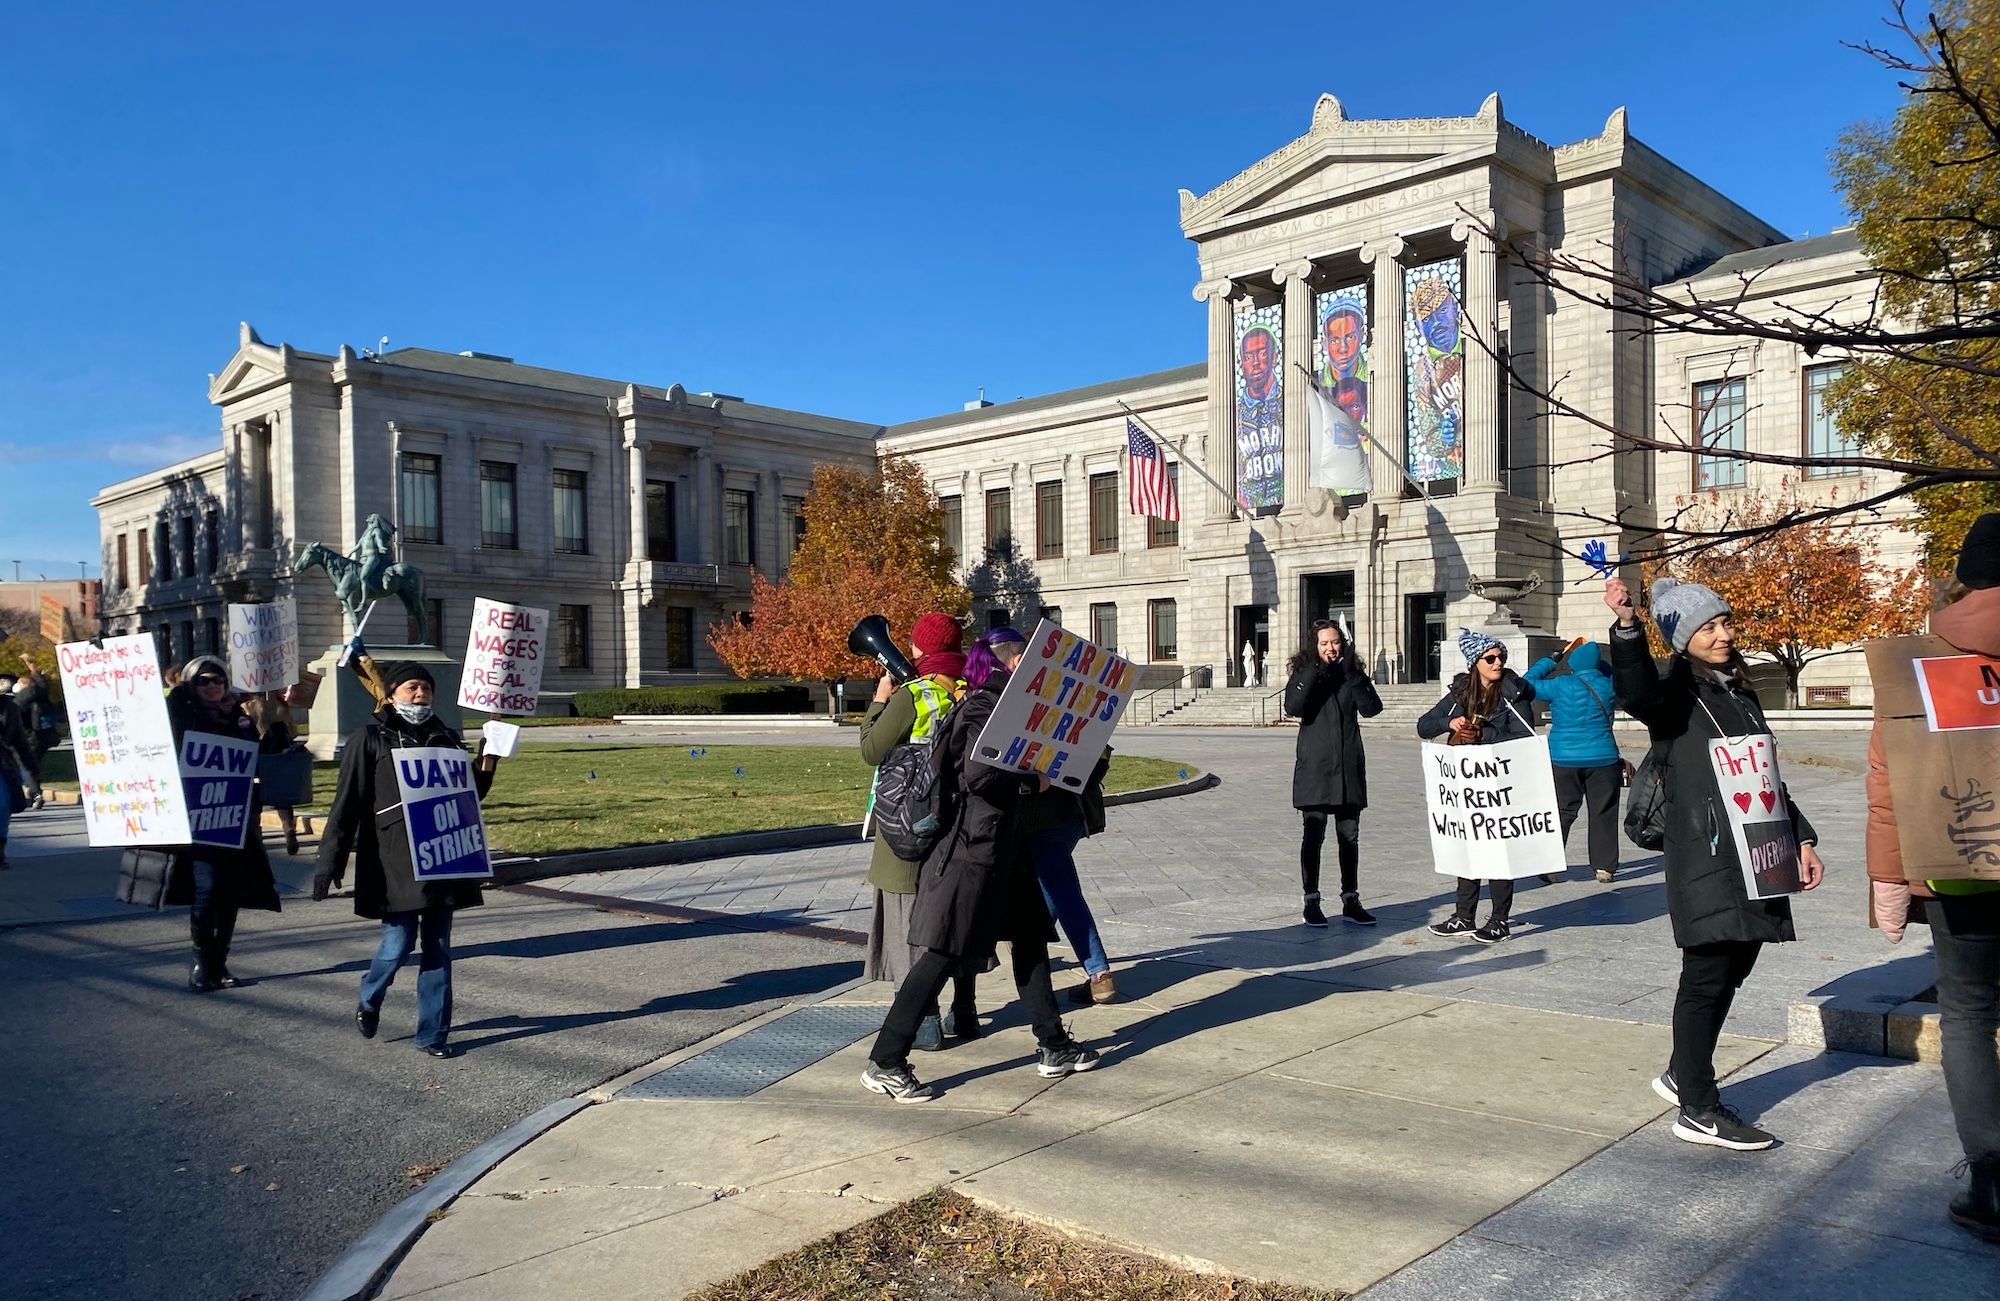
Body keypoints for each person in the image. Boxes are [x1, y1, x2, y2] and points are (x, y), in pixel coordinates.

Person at [1605, 575, 1823, 1152]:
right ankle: (1698, 1110)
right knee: (1706, 975)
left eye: (1725, 622)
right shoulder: (1676, 695)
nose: (1723, 634)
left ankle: (1684, 1073)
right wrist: (1628, 628)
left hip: (1758, 851)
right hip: (1707, 854)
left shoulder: (1739, 692)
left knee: (1736, 964)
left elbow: (1766, 777)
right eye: (1707, 627)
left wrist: (1801, 838)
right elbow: (1635, 693)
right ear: (1683, 639)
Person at [860, 627, 1099, 1103]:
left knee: (1030, 940)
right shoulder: (982, 708)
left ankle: (1054, 1045)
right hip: (971, 852)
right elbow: (980, 776)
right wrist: (1033, 783)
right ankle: (885, 1061)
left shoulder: (1005, 707)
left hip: (1002, 847)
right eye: (1025, 661)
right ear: (1009, 664)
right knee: (942, 953)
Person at [1867, 514, 2000, 1240]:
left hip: (1963, 868)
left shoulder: (1919, 663)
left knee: (1970, 1015)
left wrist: (1889, 878)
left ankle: (1993, 1180)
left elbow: (1888, 782)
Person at [312, 661, 500, 1057]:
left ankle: (432, 1034)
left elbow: (469, 794)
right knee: (398, 944)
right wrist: (329, 860)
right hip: (395, 861)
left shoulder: (445, 737)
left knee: (438, 947)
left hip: (443, 858)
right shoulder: (371, 738)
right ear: (392, 692)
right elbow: (347, 803)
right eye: (412, 686)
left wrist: (489, 757)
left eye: (426, 688)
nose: (420, 693)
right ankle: (370, 995)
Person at [858, 611, 977, 1047]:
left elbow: (871, 749)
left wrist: (879, 701)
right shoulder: (972, 690)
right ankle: (964, 1009)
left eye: (913, 642)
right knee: (954, 918)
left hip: (910, 821)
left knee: (905, 918)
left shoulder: (914, 694)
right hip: (958, 824)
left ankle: (923, 1021)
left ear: (923, 648)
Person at [162, 655, 284, 991]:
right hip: (197, 819)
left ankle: (219, 961)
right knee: (208, 888)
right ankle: (201, 961)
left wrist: (275, 728)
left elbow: (256, 757)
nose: (212, 685)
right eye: (203, 680)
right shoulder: (180, 716)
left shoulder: (239, 719)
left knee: (230, 892)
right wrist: (179, 694)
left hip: (238, 818)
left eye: (218, 679)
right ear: (190, 684)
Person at [1418, 629, 1537, 943]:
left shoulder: (1513, 693)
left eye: (1501, 657)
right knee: (1467, 848)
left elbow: (1525, 739)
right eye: (1490, 658)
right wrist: (1449, 723)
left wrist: (1485, 735)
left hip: (1501, 784)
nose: (1498, 663)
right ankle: (1464, 916)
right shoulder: (1460, 693)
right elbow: (1423, 725)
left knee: (1498, 851)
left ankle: (1499, 920)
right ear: (1475, 663)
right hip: (1466, 785)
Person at [1285, 618, 1384, 927]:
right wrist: (1315, 669)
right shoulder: (1304, 673)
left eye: (1336, 642)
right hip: (1316, 768)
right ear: (1314, 646)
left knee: (1349, 837)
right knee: (1313, 835)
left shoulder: (1350, 674)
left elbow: (1372, 708)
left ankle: (1351, 899)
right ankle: (1311, 900)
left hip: (1348, 767)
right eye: (1324, 643)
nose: (1331, 647)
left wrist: (1353, 672)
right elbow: (1293, 706)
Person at [1524, 638, 1625, 884]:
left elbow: (1526, 684)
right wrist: (1602, 666)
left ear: (1573, 664)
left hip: (1563, 758)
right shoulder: (1609, 685)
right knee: (1603, 812)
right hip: (1603, 757)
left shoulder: (1560, 685)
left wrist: (1549, 661)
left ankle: (1550, 865)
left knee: (1561, 811)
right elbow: (1617, 676)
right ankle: (1604, 867)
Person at [1024, 744, 1117, 1005]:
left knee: (1062, 893)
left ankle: (1099, 973)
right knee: (1053, 888)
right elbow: (1099, 758)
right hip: (1072, 813)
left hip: (1040, 815)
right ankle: (1031, 945)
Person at [0, 673, 38, 869]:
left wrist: (32, 768)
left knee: (3, 804)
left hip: (2, 762)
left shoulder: (8, 707)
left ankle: (0, 849)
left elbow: (19, 741)